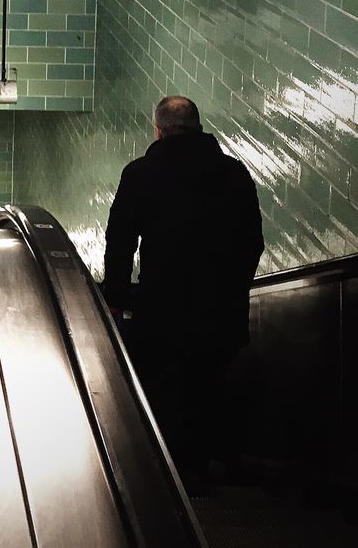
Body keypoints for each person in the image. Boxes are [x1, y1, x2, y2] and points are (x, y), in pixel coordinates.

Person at [102, 95, 264, 495]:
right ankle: (204, 466)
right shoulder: (235, 174)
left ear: (158, 129)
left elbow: (120, 242)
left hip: (163, 311)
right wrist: (233, 288)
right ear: (198, 127)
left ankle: (172, 475)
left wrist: (117, 298)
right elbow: (252, 242)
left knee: (165, 387)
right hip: (221, 312)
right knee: (209, 384)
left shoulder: (141, 174)